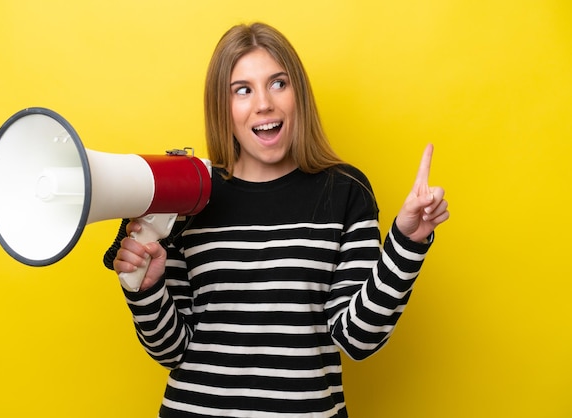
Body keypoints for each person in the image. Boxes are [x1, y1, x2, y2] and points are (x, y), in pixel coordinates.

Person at [105, 22, 449, 418]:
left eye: (278, 83)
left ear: (297, 94)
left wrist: (406, 244)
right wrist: (145, 291)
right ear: (223, 106)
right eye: (243, 90)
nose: (263, 103)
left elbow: (357, 339)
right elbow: (172, 349)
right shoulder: (190, 195)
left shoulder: (345, 192)